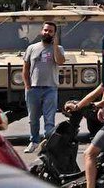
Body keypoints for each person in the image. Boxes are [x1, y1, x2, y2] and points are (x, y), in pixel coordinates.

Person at [22, 21, 66, 153]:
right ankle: (34, 142)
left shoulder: (59, 48)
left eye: (50, 31)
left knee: (49, 118)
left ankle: (48, 143)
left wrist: (55, 45)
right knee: (33, 119)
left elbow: (60, 61)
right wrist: (27, 86)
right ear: (42, 31)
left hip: (50, 88)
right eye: (45, 30)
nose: (47, 33)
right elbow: (25, 68)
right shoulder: (32, 48)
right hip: (33, 88)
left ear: (54, 34)